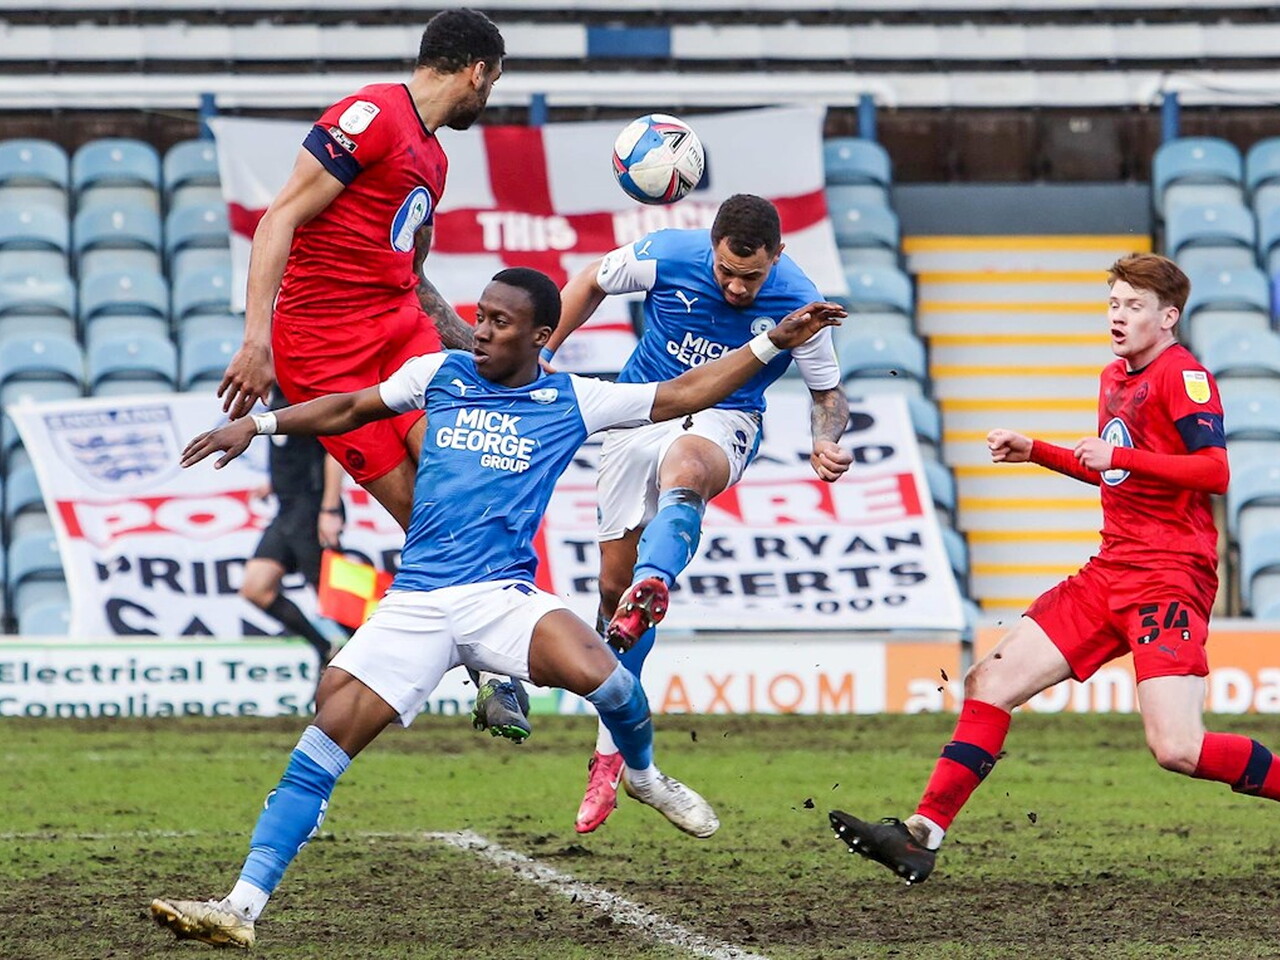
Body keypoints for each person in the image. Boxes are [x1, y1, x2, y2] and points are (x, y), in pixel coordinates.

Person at [150, 268, 846, 948]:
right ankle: (239, 908)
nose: (479, 331)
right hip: (417, 602)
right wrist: (260, 425)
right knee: (322, 743)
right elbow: (351, 408)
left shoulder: (575, 399)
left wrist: (772, 342)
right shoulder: (439, 373)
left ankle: (641, 776)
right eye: (479, 316)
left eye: (498, 322)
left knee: (613, 683)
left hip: (500, 599)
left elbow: (688, 391)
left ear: (541, 336)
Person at [828, 253, 1280, 886]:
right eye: (1114, 303)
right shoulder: (1113, 376)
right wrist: (1036, 452)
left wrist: (1122, 457)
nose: (1118, 316)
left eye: (1134, 306)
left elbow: (1215, 471)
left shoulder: (1185, 376)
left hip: (1169, 576)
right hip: (1110, 570)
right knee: (989, 680)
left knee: (1177, 748)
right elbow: (1113, 470)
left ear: (1168, 318)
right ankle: (921, 834)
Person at [216, 8, 528, 739]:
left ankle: (491, 661)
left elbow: (411, 275)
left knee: (465, 478)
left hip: (397, 330)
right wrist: (257, 341)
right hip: (323, 355)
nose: (490, 95)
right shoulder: (371, 116)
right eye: (494, 80)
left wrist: (475, 347)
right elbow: (278, 218)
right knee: (420, 514)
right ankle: (476, 664)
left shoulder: (435, 162)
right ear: (477, 71)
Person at [541, 194, 853, 834]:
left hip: (725, 419)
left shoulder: (801, 302)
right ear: (711, 247)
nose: (737, 288)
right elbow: (590, 281)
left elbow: (828, 394)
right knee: (610, 592)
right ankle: (626, 757)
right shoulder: (665, 253)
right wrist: (546, 349)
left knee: (687, 470)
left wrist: (826, 438)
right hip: (639, 408)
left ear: (778, 257)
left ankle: (653, 589)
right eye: (726, 272)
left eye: (752, 277)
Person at [239, 389, 350, 674]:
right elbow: (291, 450)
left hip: (313, 509)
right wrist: (274, 483)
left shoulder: (309, 392)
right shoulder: (278, 393)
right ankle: (326, 649)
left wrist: (330, 509)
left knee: (335, 599)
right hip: (287, 509)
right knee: (255, 588)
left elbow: (334, 453)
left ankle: (376, 659)